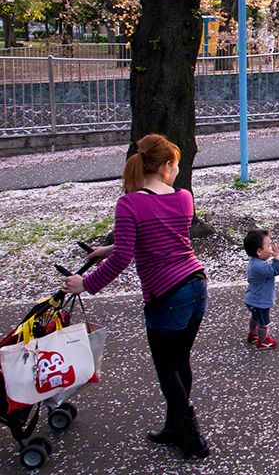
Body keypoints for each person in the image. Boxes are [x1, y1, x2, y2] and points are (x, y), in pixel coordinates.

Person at [63, 134, 209, 460]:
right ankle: (175, 427)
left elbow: (126, 256)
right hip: (196, 286)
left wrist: (84, 284)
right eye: (175, 164)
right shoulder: (184, 197)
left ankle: (192, 436)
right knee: (180, 360)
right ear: (166, 166)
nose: (177, 170)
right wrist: (107, 249)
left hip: (167, 296)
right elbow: (158, 237)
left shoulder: (129, 203)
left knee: (166, 368)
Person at [243, 229, 279, 350]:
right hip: (260, 302)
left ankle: (252, 335)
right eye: (268, 246)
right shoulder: (259, 266)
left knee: (255, 318)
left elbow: (269, 266)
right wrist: (278, 256)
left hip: (252, 299)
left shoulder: (255, 262)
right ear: (259, 251)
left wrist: (273, 256)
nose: (271, 248)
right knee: (264, 323)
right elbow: (275, 270)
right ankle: (262, 341)